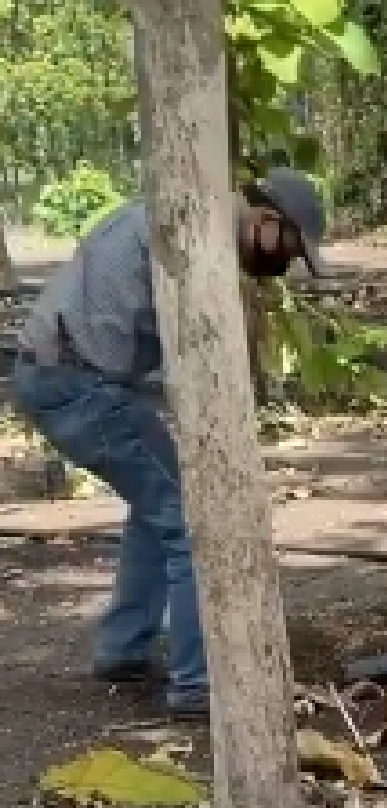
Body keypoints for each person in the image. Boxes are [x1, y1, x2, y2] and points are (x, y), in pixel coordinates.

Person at [12, 168, 324, 717]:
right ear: (267, 222)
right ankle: (197, 684)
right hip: (80, 385)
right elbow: (196, 363)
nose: (283, 269)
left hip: (62, 377)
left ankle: (123, 649)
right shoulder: (195, 241)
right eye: (290, 252)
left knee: (158, 505)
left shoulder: (183, 219)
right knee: (189, 518)